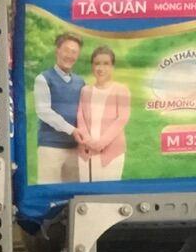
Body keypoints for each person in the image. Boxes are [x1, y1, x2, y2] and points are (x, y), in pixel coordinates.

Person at [34, 33, 85, 185]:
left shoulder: (81, 82)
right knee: (49, 190)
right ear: (57, 51)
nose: (70, 55)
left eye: (74, 52)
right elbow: (44, 111)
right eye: (66, 50)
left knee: (73, 193)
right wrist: (72, 130)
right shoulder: (43, 79)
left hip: (75, 148)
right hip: (51, 147)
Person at [75, 45, 129, 181]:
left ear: (112, 66)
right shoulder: (85, 90)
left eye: (106, 64)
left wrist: (100, 144)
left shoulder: (121, 90)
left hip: (111, 152)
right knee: (86, 189)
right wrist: (88, 141)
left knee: (108, 190)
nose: (101, 68)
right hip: (86, 151)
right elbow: (80, 117)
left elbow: (122, 119)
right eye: (97, 63)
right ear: (92, 66)